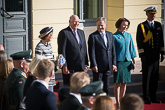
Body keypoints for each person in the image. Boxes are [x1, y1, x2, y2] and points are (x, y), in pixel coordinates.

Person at [136, 6, 164, 104]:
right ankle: (146, 97)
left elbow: (161, 40)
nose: (153, 15)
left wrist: (162, 52)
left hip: (155, 56)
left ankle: (153, 97)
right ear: (147, 14)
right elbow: (139, 41)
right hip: (146, 56)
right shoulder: (142, 26)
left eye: (154, 14)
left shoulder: (158, 25)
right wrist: (141, 55)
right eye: (151, 14)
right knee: (146, 78)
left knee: (154, 77)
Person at [88, 17, 117, 95]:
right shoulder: (93, 36)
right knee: (97, 87)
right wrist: (94, 64)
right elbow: (91, 52)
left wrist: (114, 63)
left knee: (106, 87)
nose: (100, 27)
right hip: (98, 67)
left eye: (101, 25)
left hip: (108, 66)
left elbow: (113, 50)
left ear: (105, 25)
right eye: (98, 25)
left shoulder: (110, 34)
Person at [58, 15, 88, 85]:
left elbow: (84, 49)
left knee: (80, 86)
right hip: (70, 67)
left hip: (80, 66)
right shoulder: (64, 33)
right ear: (69, 22)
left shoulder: (81, 32)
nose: (76, 23)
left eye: (78, 22)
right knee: (70, 87)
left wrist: (85, 63)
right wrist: (64, 66)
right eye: (74, 21)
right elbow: (61, 51)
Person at [113, 18, 137, 109]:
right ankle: (118, 103)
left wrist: (134, 60)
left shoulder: (128, 35)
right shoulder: (114, 36)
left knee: (124, 83)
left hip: (127, 61)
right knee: (118, 83)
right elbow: (113, 52)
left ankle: (122, 101)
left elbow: (131, 48)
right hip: (119, 62)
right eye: (123, 25)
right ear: (119, 25)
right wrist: (113, 63)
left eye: (126, 25)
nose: (125, 27)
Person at [35, 27, 56, 92]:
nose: (52, 37)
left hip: (51, 72)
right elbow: (38, 61)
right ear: (47, 36)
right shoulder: (39, 46)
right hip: (45, 73)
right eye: (51, 35)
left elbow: (51, 57)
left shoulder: (49, 45)